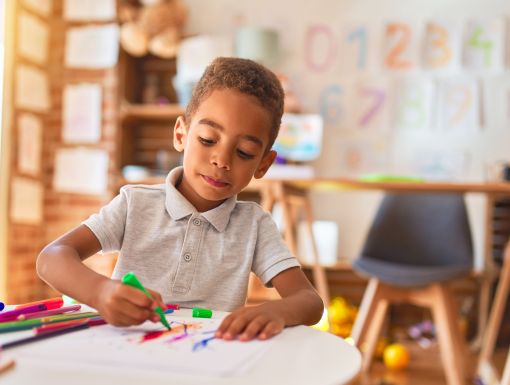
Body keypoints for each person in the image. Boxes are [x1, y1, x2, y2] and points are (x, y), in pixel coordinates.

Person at [37, 57, 324, 341]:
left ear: (263, 164)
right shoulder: (135, 204)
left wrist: (277, 312)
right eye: (208, 140)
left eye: (245, 152)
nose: (221, 160)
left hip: (207, 362)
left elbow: (309, 301)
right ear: (181, 134)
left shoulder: (255, 225)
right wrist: (100, 292)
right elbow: (52, 258)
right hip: (128, 353)